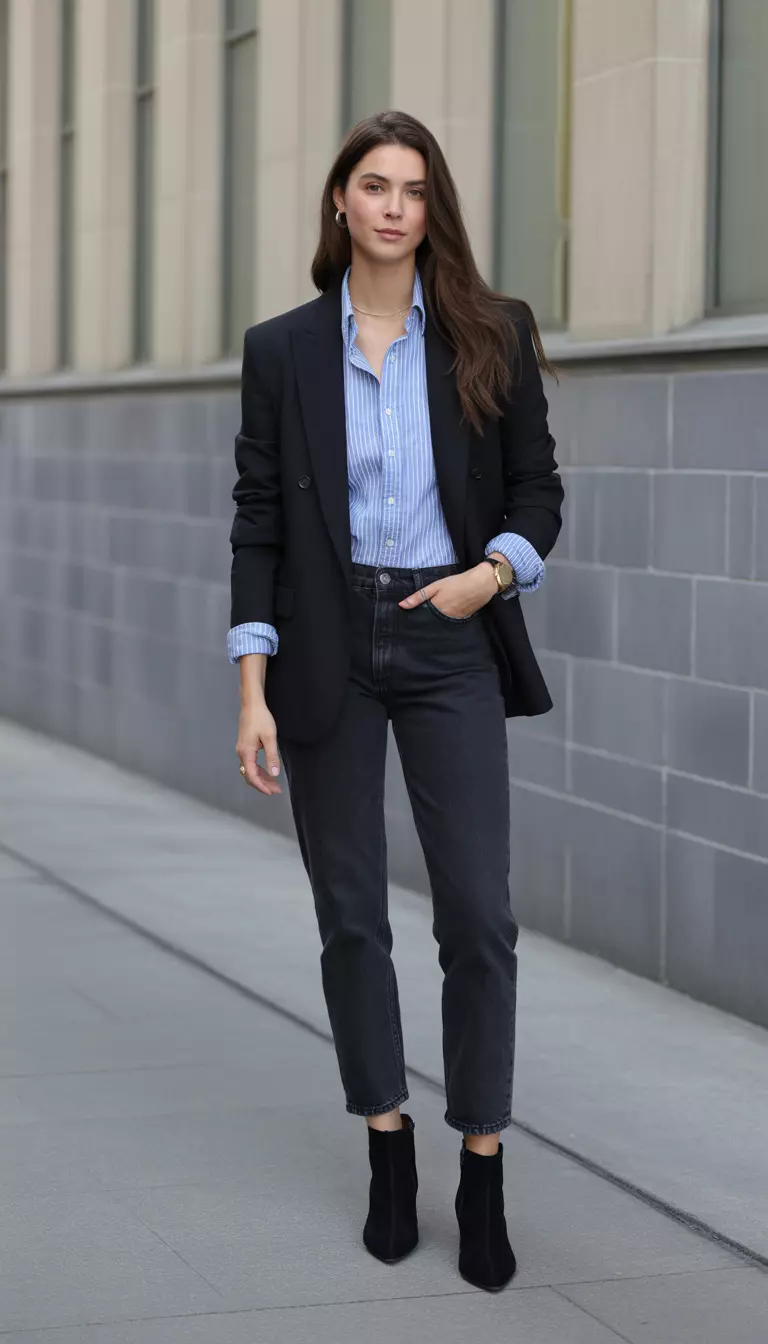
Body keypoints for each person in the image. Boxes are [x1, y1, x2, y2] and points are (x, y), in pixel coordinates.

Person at [227, 109, 563, 1292]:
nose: (393, 206)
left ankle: (481, 1164)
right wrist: (251, 690)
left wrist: (489, 576)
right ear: (339, 202)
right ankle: (386, 1144)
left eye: (414, 190)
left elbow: (538, 490)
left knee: (478, 914)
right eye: (373, 185)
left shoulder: (492, 332)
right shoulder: (282, 351)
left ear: (434, 209)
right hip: (327, 646)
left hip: (448, 632)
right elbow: (259, 519)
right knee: (351, 915)